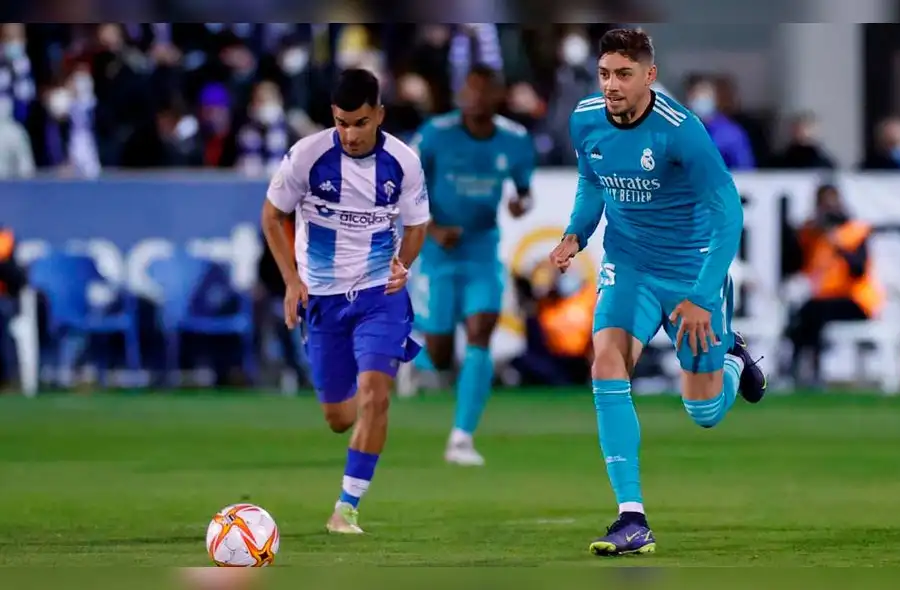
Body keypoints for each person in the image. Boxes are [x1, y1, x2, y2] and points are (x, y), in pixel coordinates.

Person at [548, 28, 767, 557]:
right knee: (606, 361)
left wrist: (701, 293)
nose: (612, 85)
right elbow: (593, 179)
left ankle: (733, 358)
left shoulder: (681, 131)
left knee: (705, 413)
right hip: (629, 265)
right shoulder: (585, 119)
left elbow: (728, 214)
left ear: (650, 76)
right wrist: (576, 232)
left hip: (691, 274)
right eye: (604, 74)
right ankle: (631, 517)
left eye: (624, 74)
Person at [260, 68, 429, 535]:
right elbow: (273, 215)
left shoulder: (404, 162)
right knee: (339, 417)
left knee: (376, 396)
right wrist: (292, 281)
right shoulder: (306, 156)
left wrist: (403, 263)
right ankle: (362, 427)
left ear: (379, 114)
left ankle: (346, 508)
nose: (349, 134)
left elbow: (417, 224)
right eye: (341, 123)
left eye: (359, 122)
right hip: (325, 300)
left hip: (380, 295)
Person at [407, 64, 535, 467]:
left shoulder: (515, 140)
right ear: (462, 94)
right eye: (470, 90)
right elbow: (404, 188)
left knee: (481, 331)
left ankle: (461, 437)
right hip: (438, 254)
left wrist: (520, 204)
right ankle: (414, 359)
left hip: (482, 248)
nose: (476, 98)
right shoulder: (435, 134)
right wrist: (431, 228)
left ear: (498, 96)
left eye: (485, 91)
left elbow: (526, 192)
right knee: (442, 355)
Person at [784, 184, 883, 385]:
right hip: (823, 300)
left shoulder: (854, 232)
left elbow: (859, 269)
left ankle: (811, 370)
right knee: (804, 314)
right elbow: (794, 265)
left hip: (856, 300)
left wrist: (838, 245)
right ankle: (798, 369)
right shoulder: (814, 235)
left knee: (815, 311)